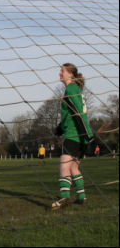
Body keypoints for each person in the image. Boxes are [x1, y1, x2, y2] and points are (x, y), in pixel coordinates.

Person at [52, 63, 95, 210]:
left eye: (62, 71)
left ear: (71, 74)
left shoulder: (70, 89)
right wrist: (59, 128)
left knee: (64, 165)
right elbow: (71, 114)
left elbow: (78, 113)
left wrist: (88, 134)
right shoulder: (74, 89)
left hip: (74, 135)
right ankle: (82, 197)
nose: (59, 73)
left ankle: (64, 197)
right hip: (79, 135)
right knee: (74, 167)